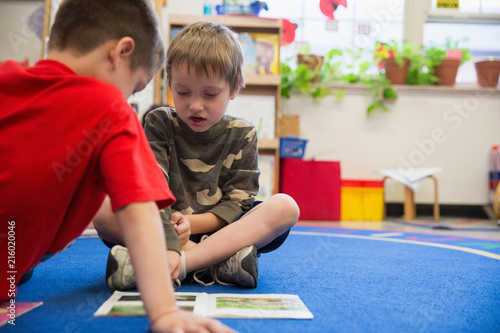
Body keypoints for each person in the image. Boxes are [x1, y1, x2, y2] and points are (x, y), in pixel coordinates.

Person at [0, 1, 234, 332]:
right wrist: (165, 312)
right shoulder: (110, 109)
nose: (127, 99)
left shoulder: (5, 76)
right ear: (120, 53)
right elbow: (139, 211)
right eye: (134, 87)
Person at [94, 21, 300, 291]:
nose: (195, 105)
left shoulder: (243, 134)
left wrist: (189, 225)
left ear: (234, 88)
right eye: (182, 92)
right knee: (102, 207)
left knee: (285, 207)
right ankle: (218, 264)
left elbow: (236, 205)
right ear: (170, 84)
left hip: (221, 232)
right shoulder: (159, 122)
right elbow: (152, 185)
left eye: (210, 94)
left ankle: (178, 263)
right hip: (162, 223)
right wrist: (171, 234)